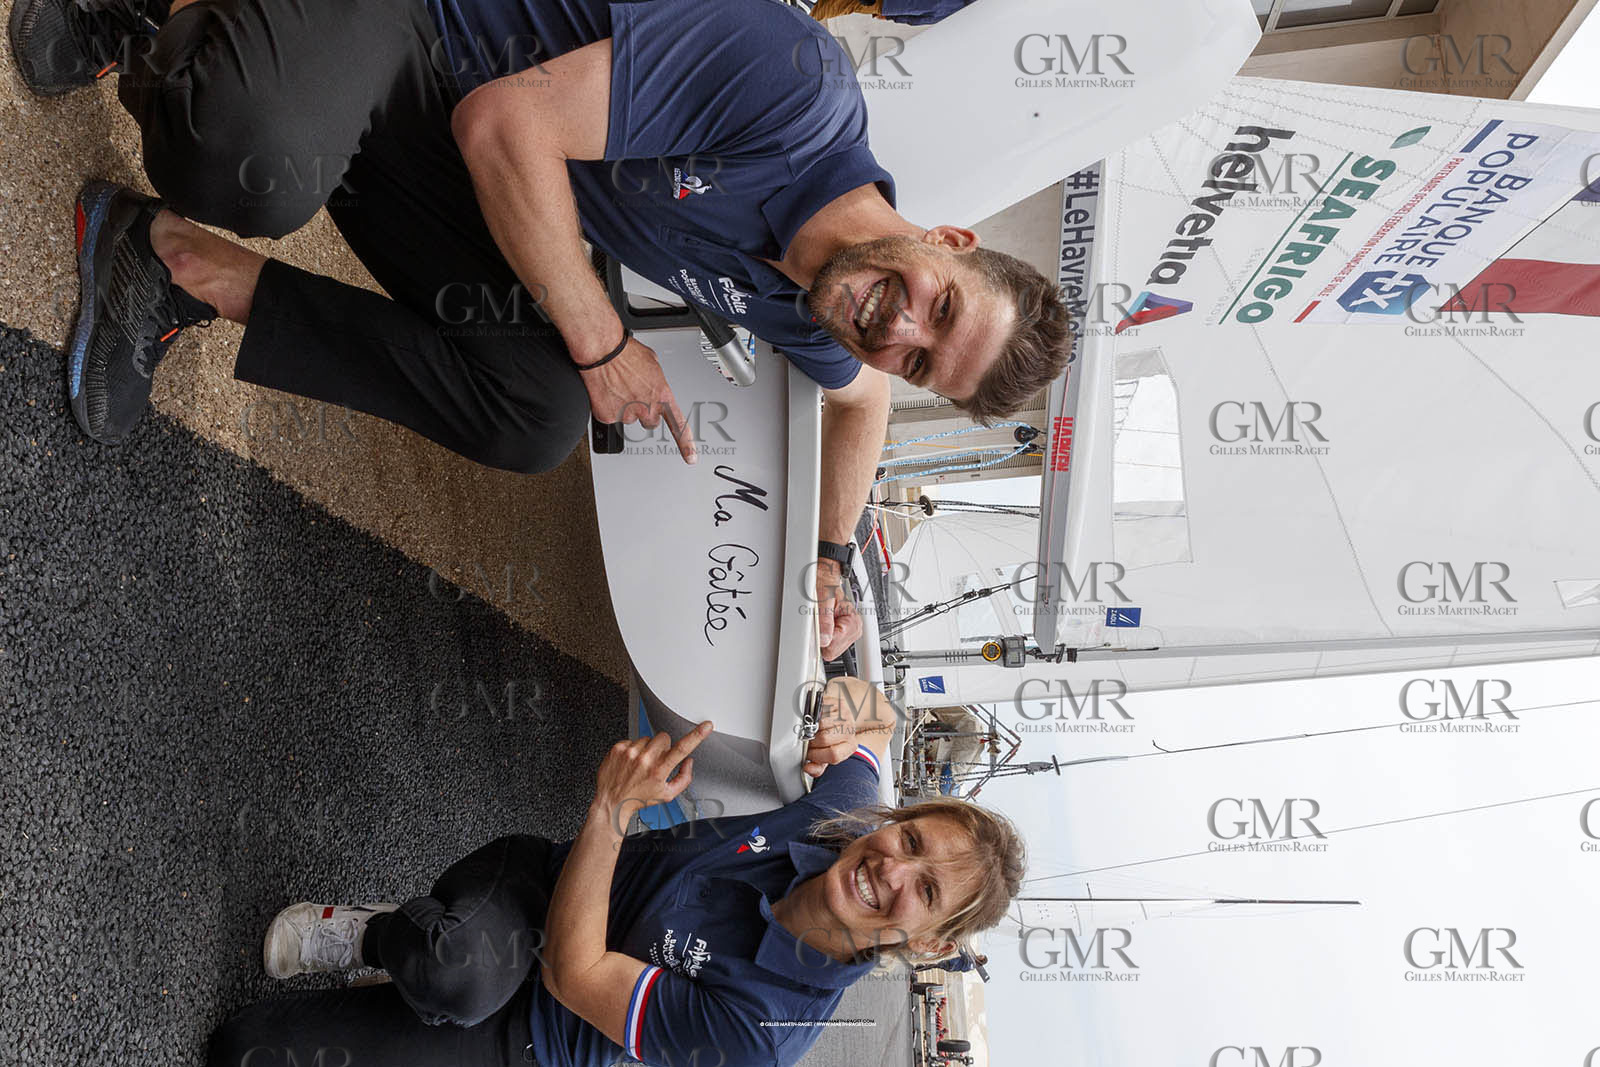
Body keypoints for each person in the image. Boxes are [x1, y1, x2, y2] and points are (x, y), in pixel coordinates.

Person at [10, 0, 1073, 660]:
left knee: (533, 412)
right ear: (948, 236)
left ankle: (173, 268)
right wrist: (604, 339)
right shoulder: (795, 93)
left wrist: (835, 558)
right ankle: (156, 21)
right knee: (243, 156)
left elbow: (862, 400)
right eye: (941, 303)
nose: (902, 328)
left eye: (927, 356)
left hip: (438, 124)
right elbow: (504, 125)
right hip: (433, 27)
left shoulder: (836, 315)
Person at [203, 676, 1026, 1067]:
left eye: (926, 891)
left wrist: (611, 808)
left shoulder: (761, 1034)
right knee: (452, 968)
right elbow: (874, 716)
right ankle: (375, 936)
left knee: (239, 1050)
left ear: (922, 945)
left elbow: (577, 973)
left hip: (541, 1032)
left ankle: (429, 981)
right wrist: (848, 711)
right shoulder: (837, 818)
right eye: (913, 842)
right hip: (542, 892)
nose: (892, 868)